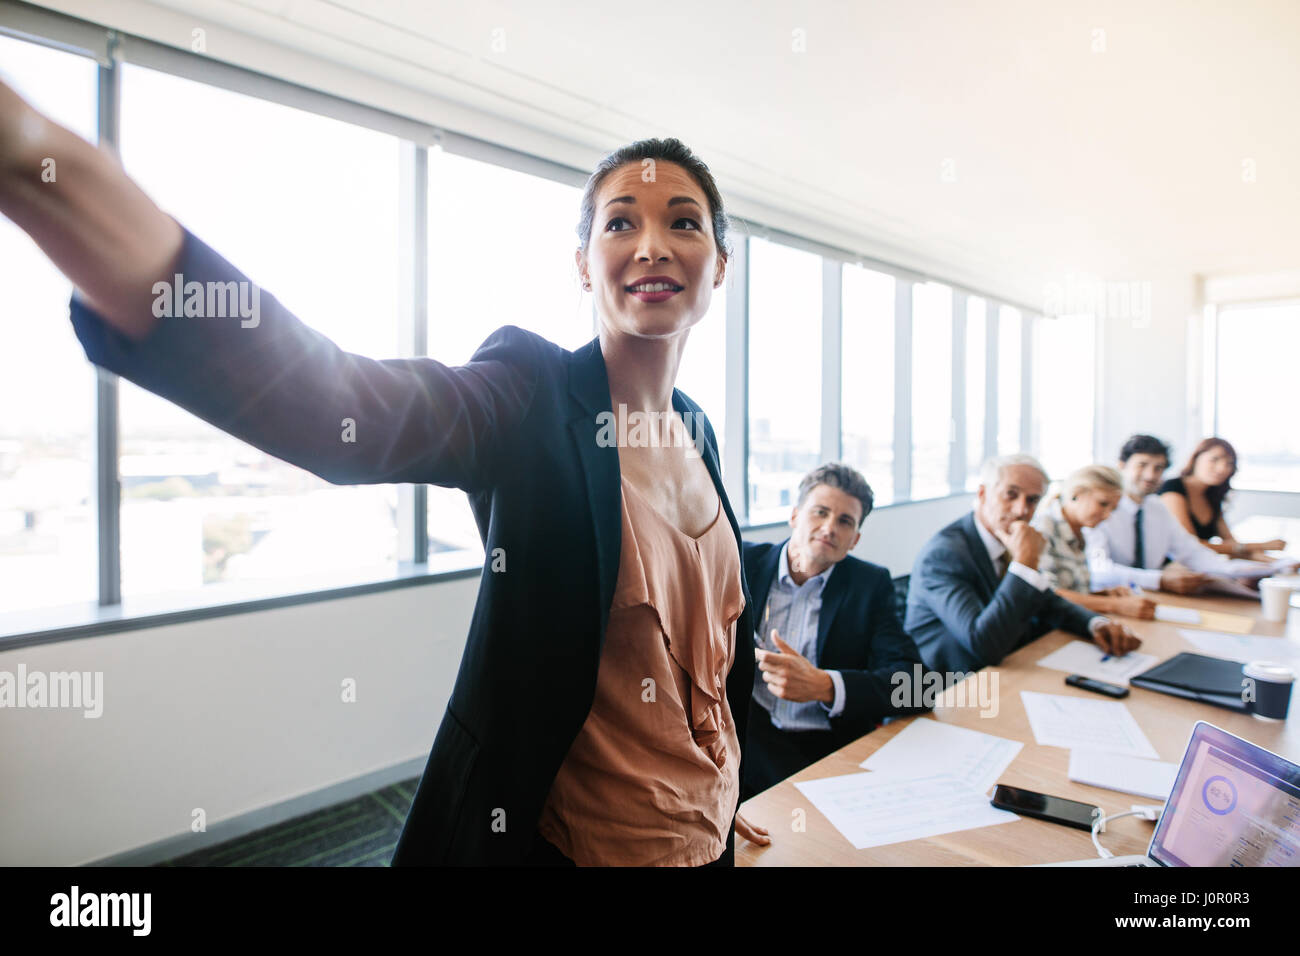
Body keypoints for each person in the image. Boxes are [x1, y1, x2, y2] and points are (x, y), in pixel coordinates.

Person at [0, 79, 773, 865]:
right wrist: (38, 156)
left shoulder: (699, 433)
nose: (652, 245)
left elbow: (714, 664)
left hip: (703, 839)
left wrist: (720, 791)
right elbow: (340, 406)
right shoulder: (530, 392)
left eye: (684, 222)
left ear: (718, 265)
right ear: (584, 265)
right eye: (620, 223)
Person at [741, 463, 929, 800]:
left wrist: (826, 686)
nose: (830, 528)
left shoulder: (870, 586)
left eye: (845, 521)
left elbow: (917, 687)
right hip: (745, 743)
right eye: (820, 512)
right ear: (795, 516)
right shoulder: (741, 562)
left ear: (854, 539)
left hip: (827, 752)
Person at [905, 454, 1140, 677]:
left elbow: (1047, 601)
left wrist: (1095, 623)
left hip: (1001, 672)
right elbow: (984, 644)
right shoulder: (944, 555)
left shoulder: (1006, 537)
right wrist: (1024, 563)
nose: (1021, 510)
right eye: (1011, 495)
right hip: (946, 687)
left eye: (1033, 499)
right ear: (983, 493)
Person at [1084, 435, 1271, 594]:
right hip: (1111, 597)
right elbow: (1098, 569)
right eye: (1142, 465)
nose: (1150, 475)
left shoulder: (1157, 508)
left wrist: (1246, 570)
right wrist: (1160, 579)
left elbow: (1192, 552)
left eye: (1158, 468)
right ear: (1121, 466)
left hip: (1152, 598)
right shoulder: (1101, 509)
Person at [1032, 464, 1156, 619]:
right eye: (1103, 504)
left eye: (1113, 509)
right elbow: (1047, 595)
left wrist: (1104, 595)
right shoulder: (1043, 528)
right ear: (1076, 493)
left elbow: (1071, 590)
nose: (1107, 516)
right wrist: (1115, 605)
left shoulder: (1080, 532)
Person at [1159, 437, 1286, 557]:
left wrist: (1275, 562)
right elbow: (1191, 546)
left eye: (1229, 464)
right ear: (1196, 458)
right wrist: (1260, 546)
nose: (1222, 469)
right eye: (1214, 459)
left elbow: (1231, 543)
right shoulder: (1172, 489)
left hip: (1199, 564)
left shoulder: (1211, 494)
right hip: (1170, 566)